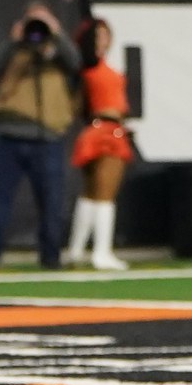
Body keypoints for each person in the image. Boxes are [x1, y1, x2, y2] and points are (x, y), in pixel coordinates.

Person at [0, 2, 80, 270]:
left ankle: (51, 257)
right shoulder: (15, 51)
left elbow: (76, 63)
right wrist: (14, 43)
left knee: (52, 202)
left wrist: (56, 34)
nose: (36, 29)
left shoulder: (56, 53)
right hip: (11, 135)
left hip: (47, 137)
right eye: (32, 22)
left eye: (42, 22)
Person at [63, 16, 131, 271]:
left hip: (100, 130)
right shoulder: (89, 69)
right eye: (98, 35)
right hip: (106, 131)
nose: (103, 40)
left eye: (106, 34)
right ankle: (101, 252)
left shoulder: (90, 68)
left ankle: (77, 250)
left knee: (91, 193)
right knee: (105, 194)